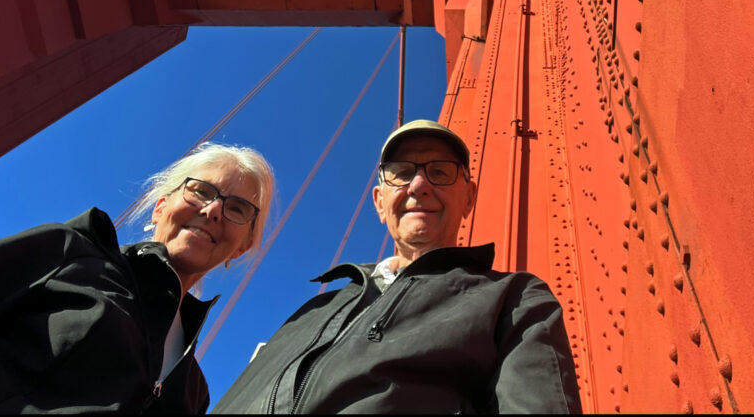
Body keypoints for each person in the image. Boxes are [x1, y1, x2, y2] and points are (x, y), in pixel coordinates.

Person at [211, 119, 582, 414]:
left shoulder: (513, 297)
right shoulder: (314, 309)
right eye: (402, 172)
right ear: (379, 202)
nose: (419, 185)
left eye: (440, 172)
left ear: (469, 197)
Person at [0, 142, 277, 413]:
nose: (213, 210)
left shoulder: (194, 391)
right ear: (160, 208)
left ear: (242, 247)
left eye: (237, 208)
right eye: (201, 191)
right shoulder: (68, 254)